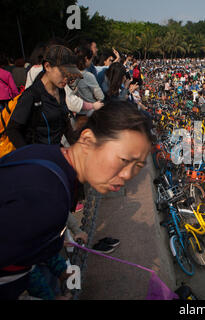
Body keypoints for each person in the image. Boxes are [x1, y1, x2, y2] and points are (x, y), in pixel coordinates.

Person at [0, 100, 152, 300]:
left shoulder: (47, 156)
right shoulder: (48, 199)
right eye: (124, 160)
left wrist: (62, 268)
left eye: (138, 166)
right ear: (88, 140)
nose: (128, 175)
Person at [6, 45, 83, 149]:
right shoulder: (31, 95)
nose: (67, 78)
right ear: (47, 66)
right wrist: (29, 155)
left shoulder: (60, 91)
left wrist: (79, 147)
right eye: (63, 72)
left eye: (69, 74)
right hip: (38, 158)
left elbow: (65, 124)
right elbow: (12, 130)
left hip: (55, 153)